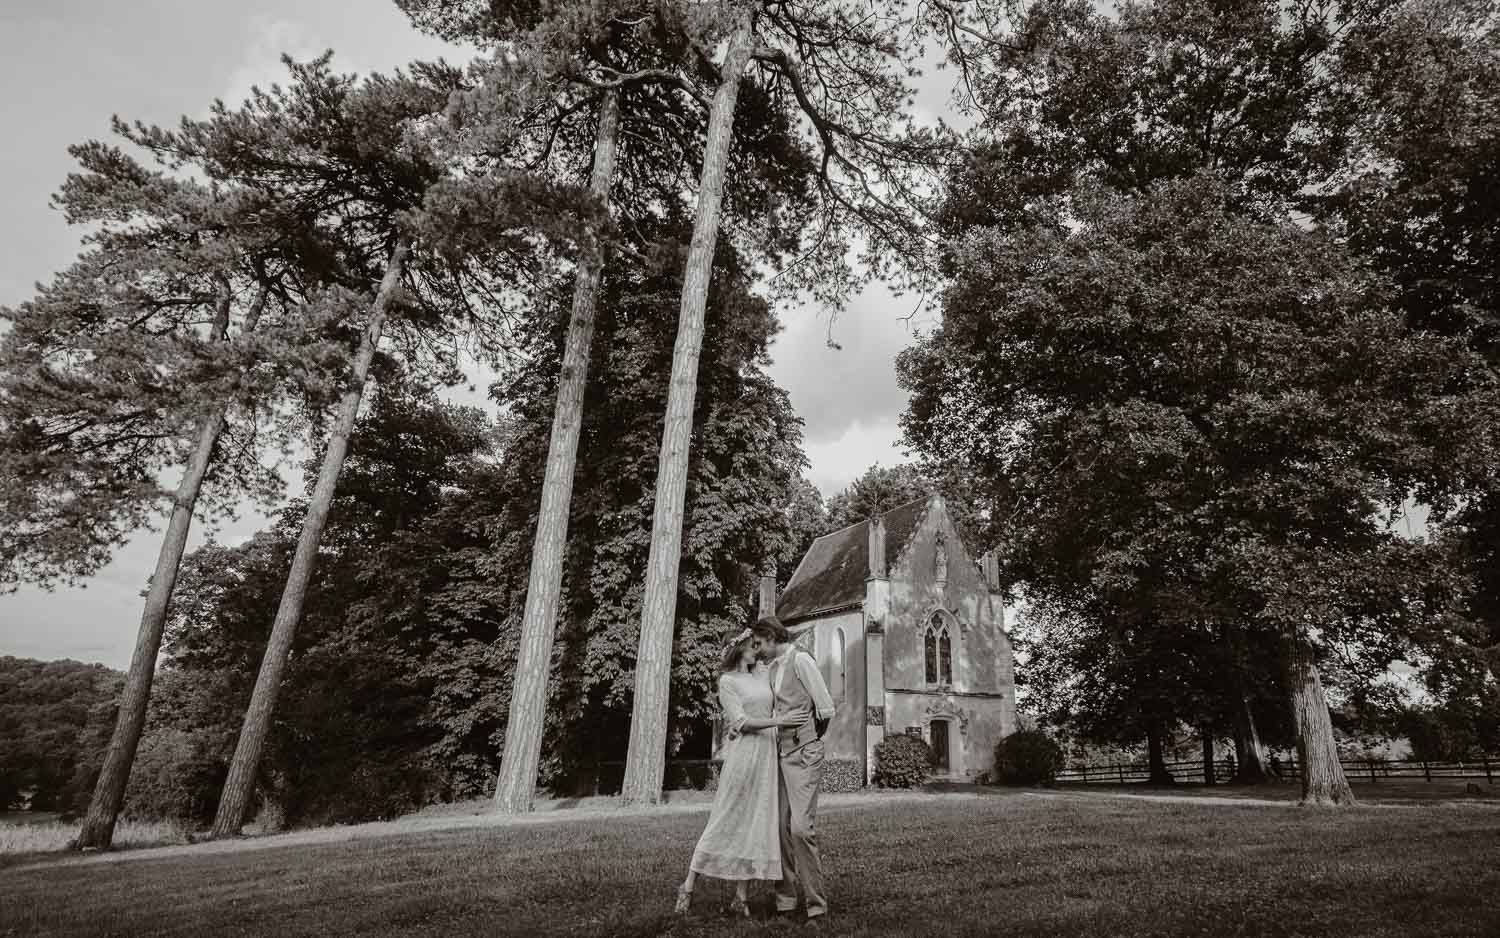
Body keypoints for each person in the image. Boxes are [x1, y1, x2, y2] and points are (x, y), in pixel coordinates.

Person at [676, 632, 807, 917]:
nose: (756, 650)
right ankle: (688, 885)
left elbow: (782, 678)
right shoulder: (727, 682)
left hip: (766, 759)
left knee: (755, 820)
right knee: (725, 818)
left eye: (757, 645)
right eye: (751, 646)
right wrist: (779, 721)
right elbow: (741, 721)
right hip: (744, 756)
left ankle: (740, 897)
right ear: (738, 650)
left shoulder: (761, 673)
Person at [750, 614, 836, 924]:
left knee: (801, 829)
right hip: (780, 756)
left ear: (772, 638)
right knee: (780, 830)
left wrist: (807, 741)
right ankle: (785, 902)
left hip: (804, 754)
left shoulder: (802, 661)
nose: (757, 650)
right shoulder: (771, 669)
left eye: (759, 643)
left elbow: (826, 709)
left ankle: (817, 907)